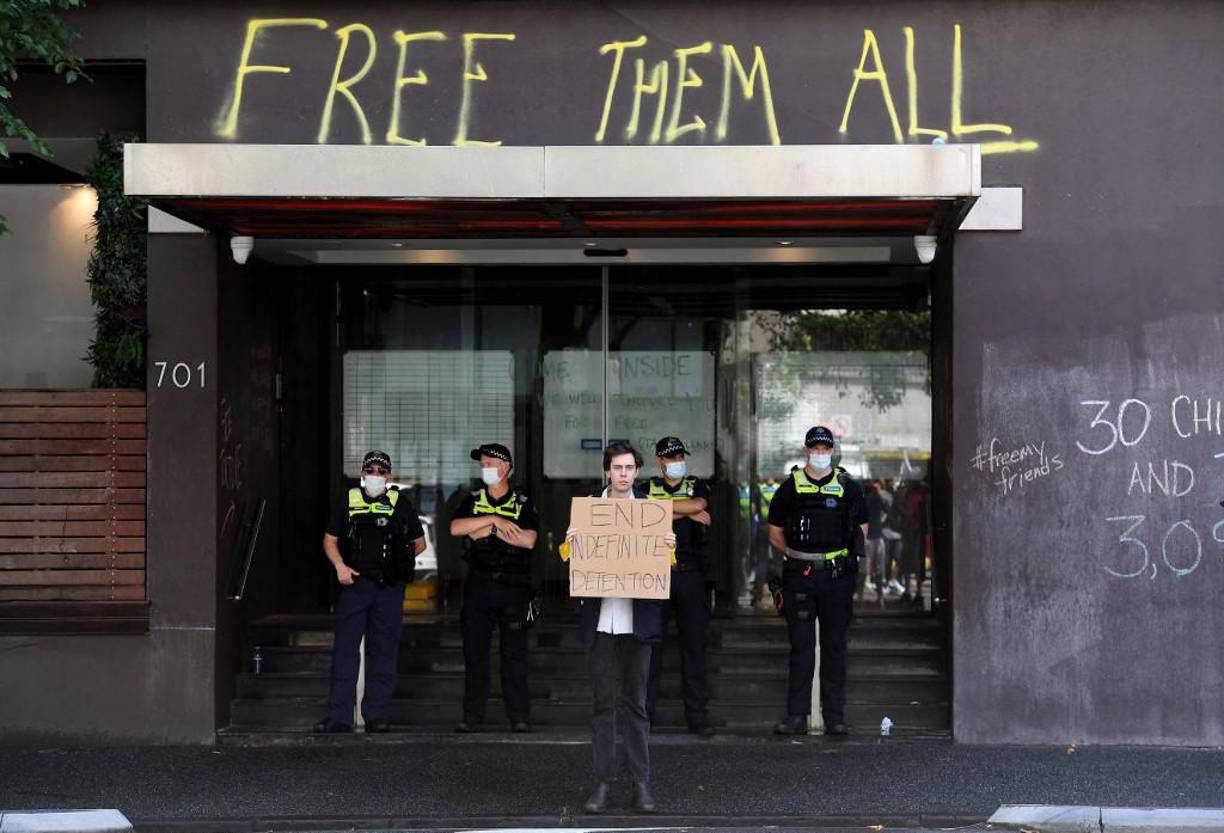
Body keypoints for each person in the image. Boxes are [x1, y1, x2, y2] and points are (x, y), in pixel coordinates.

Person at [561, 443, 673, 814]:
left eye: (629, 467)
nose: (623, 473)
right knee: (603, 705)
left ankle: (642, 784)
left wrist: (669, 547)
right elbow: (567, 558)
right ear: (607, 471)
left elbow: (664, 565)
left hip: (637, 623)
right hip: (601, 621)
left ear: (637, 472)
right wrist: (570, 545)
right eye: (617, 467)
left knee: (636, 705)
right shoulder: (589, 509)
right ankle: (602, 784)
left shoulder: (651, 512)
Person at [766, 426, 868, 737]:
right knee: (801, 647)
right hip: (800, 576)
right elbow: (774, 532)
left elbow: (862, 529)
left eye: (825, 449)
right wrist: (799, 555)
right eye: (816, 448)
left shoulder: (848, 486)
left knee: (835, 646)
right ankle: (797, 715)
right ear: (806, 449)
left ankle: (834, 716)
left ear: (832, 450)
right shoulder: (790, 487)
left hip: (837, 577)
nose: (820, 454)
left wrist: (838, 558)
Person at [315, 451, 426, 734]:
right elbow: (330, 539)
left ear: (388, 476)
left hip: (388, 587)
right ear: (363, 473)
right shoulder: (349, 500)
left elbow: (419, 542)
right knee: (345, 651)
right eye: (371, 469)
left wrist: (399, 560)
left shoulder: (399, 503)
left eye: (381, 471)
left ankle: (376, 714)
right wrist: (340, 566)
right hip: (355, 584)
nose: (375, 475)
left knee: (384, 650)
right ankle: (339, 716)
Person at [449, 443, 539, 733]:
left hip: (513, 586)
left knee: (514, 655)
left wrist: (484, 531)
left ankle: (519, 717)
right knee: (475, 654)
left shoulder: (524, 502)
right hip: (479, 584)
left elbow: (528, 540)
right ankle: (472, 716)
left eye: (489, 463)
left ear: (505, 467)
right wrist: (495, 520)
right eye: (482, 464)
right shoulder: (471, 499)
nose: (484, 468)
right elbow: (456, 529)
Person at [644, 436, 714, 736]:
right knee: (649, 648)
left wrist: (664, 509)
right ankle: (644, 717)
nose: (676, 462)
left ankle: (697, 717)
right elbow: (641, 516)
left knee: (694, 648)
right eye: (670, 458)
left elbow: (700, 504)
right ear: (660, 461)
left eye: (679, 456)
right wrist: (684, 511)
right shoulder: (645, 487)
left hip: (690, 574)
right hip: (654, 573)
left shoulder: (697, 484)